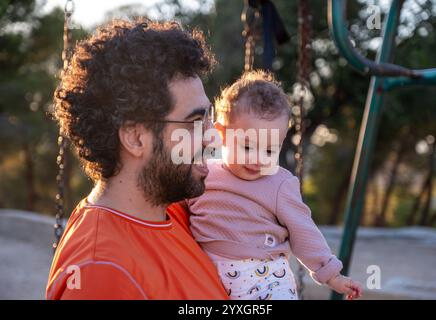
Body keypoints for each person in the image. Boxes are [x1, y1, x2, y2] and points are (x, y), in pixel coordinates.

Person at [46, 18, 228, 300]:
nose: (211, 137)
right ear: (135, 138)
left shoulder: (173, 211)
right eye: (194, 122)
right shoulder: (102, 273)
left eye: (209, 118)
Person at [188, 70, 363, 300]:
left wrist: (332, 276)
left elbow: (304, 231)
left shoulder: (278, 184)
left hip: (266, 281)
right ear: (221, 134)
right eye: (248, 147)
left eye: (270, 150)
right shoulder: (203, 173)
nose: (259, 159)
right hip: (209, 279)